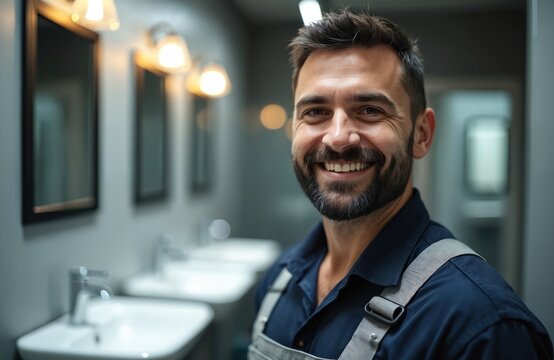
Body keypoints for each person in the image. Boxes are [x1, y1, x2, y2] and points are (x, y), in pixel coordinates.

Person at [249, 10, 553, 360]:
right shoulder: (278, 279)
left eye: (369, 110)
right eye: (315, 112)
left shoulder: (484, 325)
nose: (337, 138)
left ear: (421, 135)